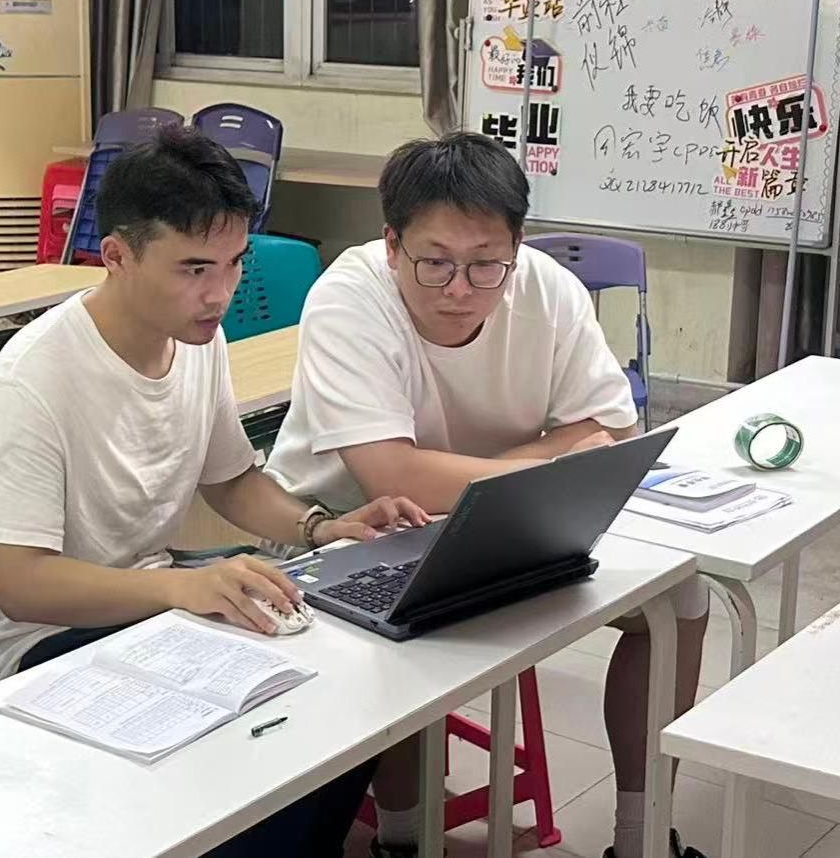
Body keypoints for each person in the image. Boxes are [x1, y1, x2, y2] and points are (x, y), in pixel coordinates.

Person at [0, 125, 427, 858]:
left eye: (234, 264)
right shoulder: (33, 380)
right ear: (116, 256)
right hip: (38, 645)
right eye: (194, 268)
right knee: (257, 741)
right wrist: (181, 587)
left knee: (346, 697)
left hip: (146, 610)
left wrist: (324, 527)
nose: (220, 293)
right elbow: (21, 586)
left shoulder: (197, 341)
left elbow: (231, 479)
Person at [265, 132, 710, 858]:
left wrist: (491, 478)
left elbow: (612, 426)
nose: (460, 289)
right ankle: (403, 841)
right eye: (435, 262)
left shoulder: (545, 288)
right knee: (396, 616)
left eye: (484, 264)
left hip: (505, 520)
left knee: (679, 600)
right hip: (347, 529)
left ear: (516, 246)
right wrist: (545, 462)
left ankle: (642, 838)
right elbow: (390, 477)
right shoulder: (348, 299)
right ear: (392, 245)